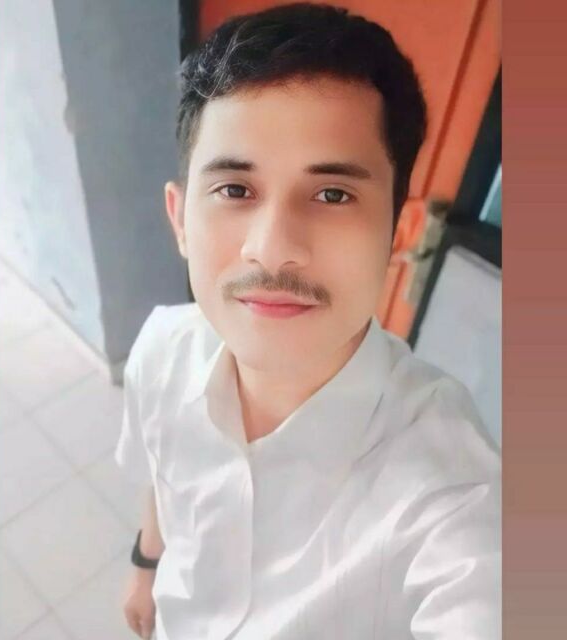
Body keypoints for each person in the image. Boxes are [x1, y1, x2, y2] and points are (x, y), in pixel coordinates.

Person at [115, 3, 501, 639]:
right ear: (180, 219)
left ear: (399, 233)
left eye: (333, 194)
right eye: (235, 190)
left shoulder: (455, 489)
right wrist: (145, 563)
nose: (272, 249)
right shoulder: (160, 350)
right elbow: (162, 474)